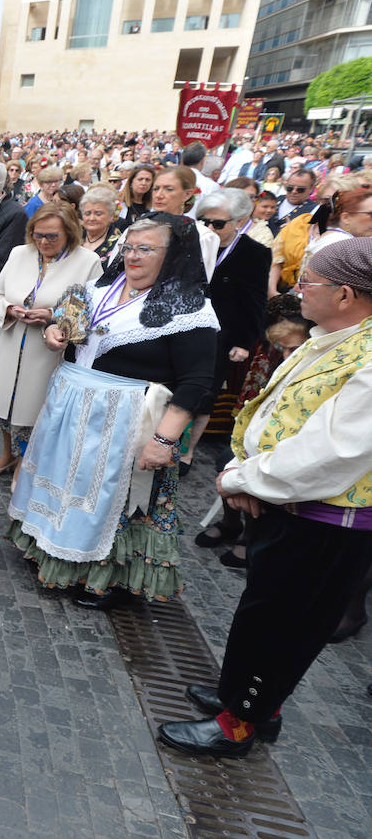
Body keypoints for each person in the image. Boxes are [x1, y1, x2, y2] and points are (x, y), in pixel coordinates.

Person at [157, 238, 372, 758]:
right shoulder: (333, 336)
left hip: (325, 522)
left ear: (345, 294)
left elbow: (332, 451)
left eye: (310, 282)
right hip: (289, 504)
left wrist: (244, 480)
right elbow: (275, 413)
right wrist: (244, 469)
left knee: (283, 626)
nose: (298, 288)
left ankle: (242, 722)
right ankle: (247, 699)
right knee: (263, 614)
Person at [10, 215, 219, 609]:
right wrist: (54, 332)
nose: (132, 257)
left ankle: (102, 578)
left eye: (145, 249)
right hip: (72, 405)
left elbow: (196, 382)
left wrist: (164, 440)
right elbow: (71, 331)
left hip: (127, 419)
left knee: (111, 500)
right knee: (65, 485)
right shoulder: (100, 289)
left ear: (173, 254)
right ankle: (53, 551)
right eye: (128, 247)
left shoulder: (188, 310)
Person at [0, 203, 102, 476]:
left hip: (49, 351)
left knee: (37, 409)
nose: (43, 241)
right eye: (38, 234)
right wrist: (10, 310)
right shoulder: (19, 254)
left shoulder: (87, 262)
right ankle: (7, 456)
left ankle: (27, 466)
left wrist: (52, 315)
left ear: (70, 233)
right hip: (12, 338)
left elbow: (92, 308)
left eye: (52, 236)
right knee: (5, 404)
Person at [183, 189, 271, 472]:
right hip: (183, 328)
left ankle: (187, 452)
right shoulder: (189, 244)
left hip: (221, 335)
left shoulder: (254, 253)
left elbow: (255, 300)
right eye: (203, 221)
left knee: (205, 393)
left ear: (239, 221)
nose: (209, 228)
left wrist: (245, 342)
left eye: (218, 223)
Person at [79, 185, 127, 264]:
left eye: (98, 214)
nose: (92, 218)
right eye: (87, 213)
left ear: (111, 216)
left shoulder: (119, 244)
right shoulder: (73, 237)